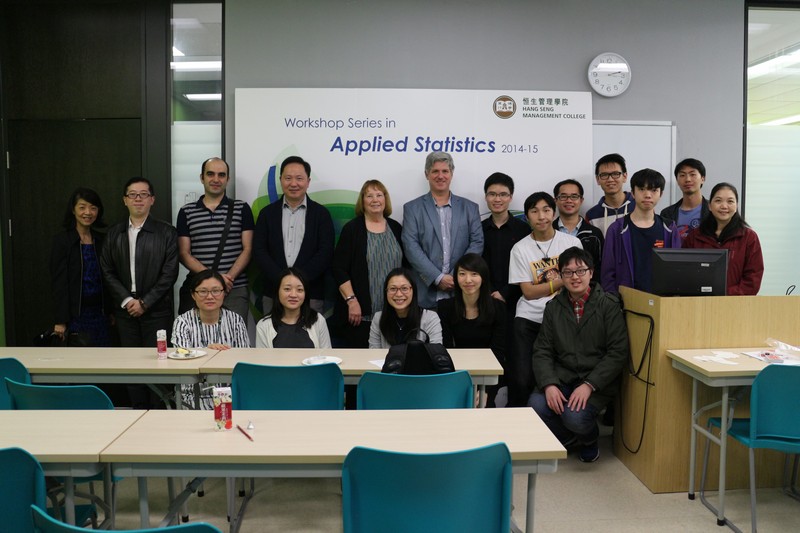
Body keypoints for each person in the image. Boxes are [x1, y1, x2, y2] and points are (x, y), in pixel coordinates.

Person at [529, 247, 629, 463]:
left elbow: (617, 352)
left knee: (573, 415)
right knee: (536, 405)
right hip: (563, 376)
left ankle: (590, 439)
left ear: (591, 273)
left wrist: (589, 384)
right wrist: (549, 384)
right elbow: (542, 350)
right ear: (560, 276)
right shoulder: (553, 307)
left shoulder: (608, 306)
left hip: (595, 381)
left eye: (580, 271)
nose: (575, 277)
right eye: (568, 272)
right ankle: (573, 438)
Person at [100, 177, 178, 408]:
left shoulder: (166, 233)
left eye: (143, 194)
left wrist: (145, 302)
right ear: (125, 200)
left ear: (152, 200)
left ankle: (158, 416)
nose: (138, 199)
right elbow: (106, 270)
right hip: (125, 313)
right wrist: (127, 301)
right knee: (132, 365)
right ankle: (137, 413)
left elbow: (169, 274)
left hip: (157, 311)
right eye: (133, 194)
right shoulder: (114, 234)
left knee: (159, 364)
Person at [508, 192, 582, 407]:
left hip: (564, 318)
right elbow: (528, 292)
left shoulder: (572, 243)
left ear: (554, 212)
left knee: (561, 377)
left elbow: (580, 282)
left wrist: (562, 282)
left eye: (546, 210)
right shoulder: (520, 249)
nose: (541, 216)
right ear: (527, 217)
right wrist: (562, 281)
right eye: (534, 211)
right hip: (529, 318)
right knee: (522, 379)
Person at [402, 151, 483, 309]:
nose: (440, 176)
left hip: (462, 293)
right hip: (424, 293)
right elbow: (410, 246)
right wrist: (437, 278)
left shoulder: (470, 208)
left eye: (445, 171)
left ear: (451, 174)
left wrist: (457, 275)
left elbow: (477, 242)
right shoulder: (412, 208)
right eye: (435, 171)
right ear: (427, 174)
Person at [253, 155, 334, 313]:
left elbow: (325, 252)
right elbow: (259, 251)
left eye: (299, 178)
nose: (293, 183)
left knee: (310, 337)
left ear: (308, 181)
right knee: (273, 337)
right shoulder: (267, 214)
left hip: (310, 294)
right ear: (280, 180)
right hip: (273, 293)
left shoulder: (321, 214)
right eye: (288, 178)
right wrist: (282, 280)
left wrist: (298, 281)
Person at [177, 157, 255, 321]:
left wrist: (227, 280)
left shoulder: (242, 208)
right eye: (210, 174)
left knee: (234, 341)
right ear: (202, 177)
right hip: (199, 288)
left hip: (234, 288)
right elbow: (184, 253)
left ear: (227, 179)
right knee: (195, 341)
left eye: (221, 175)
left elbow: (248, 249)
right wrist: (215, 279)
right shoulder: (186, 212)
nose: (216, 179)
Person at [332, 179, 404, 348]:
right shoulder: (352, 229)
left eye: (379, 195)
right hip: (360, 316)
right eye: (369, 195)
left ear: (385, 200)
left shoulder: (396, 228)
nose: (375, 199)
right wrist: (351, 301)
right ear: (362, 201)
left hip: (393, 314)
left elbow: (406, 269)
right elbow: (338, 268)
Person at [437, 253, 506, 406]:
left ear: (483, 277)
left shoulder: (498, 309)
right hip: (454, 377)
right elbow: (445, 350)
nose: (468, 280)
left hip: (487, 378)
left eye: (474, 274)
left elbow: (498, 353)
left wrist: (485, 390)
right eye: (462, 274)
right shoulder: (445, 308)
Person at [601, 168, 682, 295]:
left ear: (661, 194)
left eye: (654, 190)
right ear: (633, 193)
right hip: (626, 303)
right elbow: (607, 273)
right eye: (642, 189)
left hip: (661, 302)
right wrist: (614, 302)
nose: (648, 195)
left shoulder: (670, 228)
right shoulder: (617, 229)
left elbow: (677, 270)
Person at [50, 187, 111, 347]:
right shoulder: (62, 241)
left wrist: (111, 311)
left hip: (101, 313)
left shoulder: (102, 240)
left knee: (103, 360)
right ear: (73, 209)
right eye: (82, 207)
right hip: (76, 315)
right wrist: (60, 321)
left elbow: (109, 277)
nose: (88, 212)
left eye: (93, 208)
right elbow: (59, 284)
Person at [683, 182, 764, 295]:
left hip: (736, 305)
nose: (724, 206)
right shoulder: (695, 236)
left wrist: (725, 294)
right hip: (700, 304)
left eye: (730, 201)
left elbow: (753, 278)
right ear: (710, 206)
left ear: (736, 206)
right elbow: (684, 272)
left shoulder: (749, 237)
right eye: (718, 200)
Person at [481, 172, 530, 305]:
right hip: (485, 300)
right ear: (486, 197)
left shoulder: (524, 230)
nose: (497, 199)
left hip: (518, 300)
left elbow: (527, 266)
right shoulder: (478, 230)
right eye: (492, 194)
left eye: (503, 194)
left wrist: (505, 293)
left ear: (510, 197)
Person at [172, 269, 249, 350]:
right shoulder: (182, 322)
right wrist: (207, 350)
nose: (209, 297)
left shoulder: (236, 320)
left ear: (224, 293)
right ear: (193, 295)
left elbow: (243, 353)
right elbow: (182, 355)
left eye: (215, 291)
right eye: (203, 291)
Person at [255, 267, 332, 349]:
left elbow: (326, 358)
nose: (293, 295)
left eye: (299, 290)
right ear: (277, 292)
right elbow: (262, 360)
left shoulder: (318, 320)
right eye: (287, 289)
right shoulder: (263, 325)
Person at [369, 267, 443, 349]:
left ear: (413, 291)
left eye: (404, 288)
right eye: (393, 289)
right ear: (386, 292)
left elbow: (436, 352)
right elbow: (373, 353)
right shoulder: (378, 318)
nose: (399, 294)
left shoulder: (430, 317)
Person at [553, 179, 604, 283]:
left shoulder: (594, 234)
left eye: (574, 196)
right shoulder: (548, 232)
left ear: (581, 200)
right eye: (563, 196)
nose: (569, 200)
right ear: (555, 200)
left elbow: (600, 268)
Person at [660, 158, 710, 240]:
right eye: (682, 175)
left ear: (702, 179)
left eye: (692, 174)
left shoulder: (713, 211)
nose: (687, 179)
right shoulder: (667, 214)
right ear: (677, 180)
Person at [586, 153, 635, 236]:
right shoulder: (592, 215)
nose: (610, 179)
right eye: (604, 175)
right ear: (598, 179)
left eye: (615, 174)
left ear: (625, 176)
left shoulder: (640, 207)